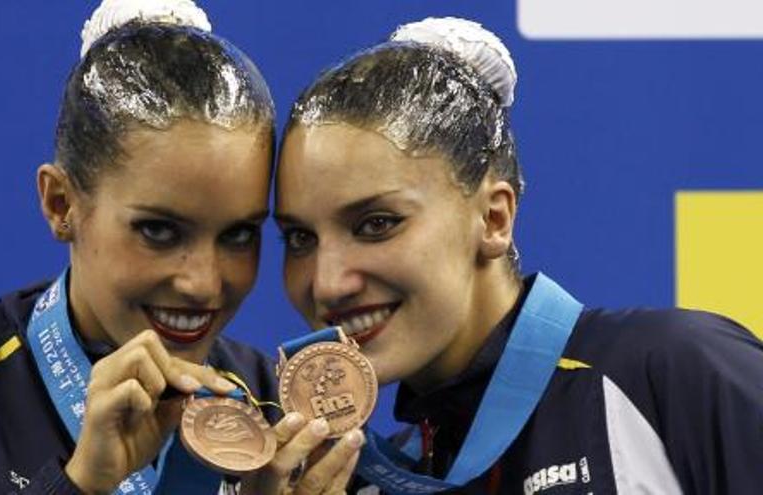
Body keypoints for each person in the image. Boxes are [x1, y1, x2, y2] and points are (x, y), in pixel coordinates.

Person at [0, 1, 364, 493]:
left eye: (238, 235)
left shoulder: (282, 414)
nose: (202, 283)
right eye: (159, 231)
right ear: (61, 204)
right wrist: (81, 484)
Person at [275, 16, 763, 494]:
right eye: (299, 238)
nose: (327, 283)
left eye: (376, 224)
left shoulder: (677, 374)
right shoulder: (365, 480)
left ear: (493, 220)